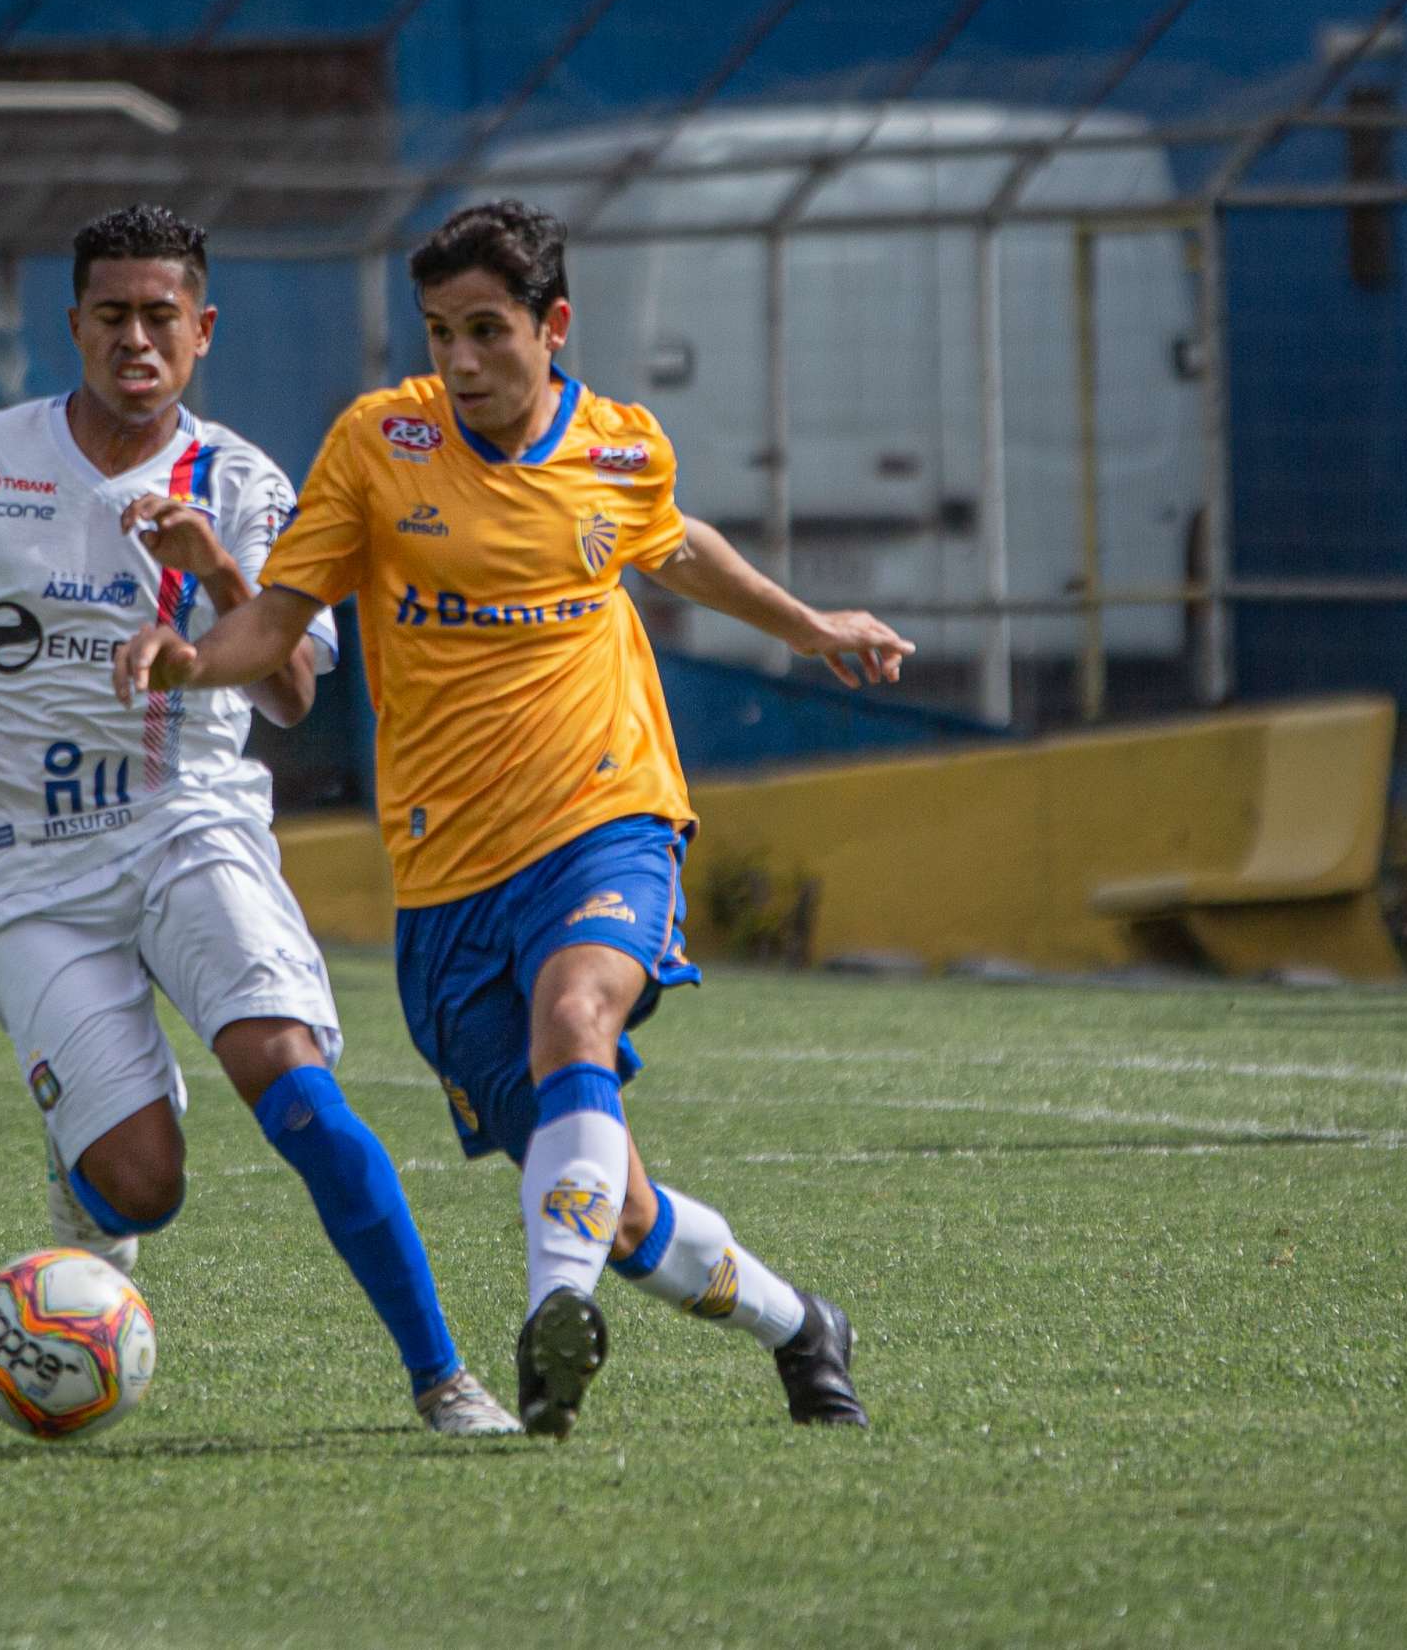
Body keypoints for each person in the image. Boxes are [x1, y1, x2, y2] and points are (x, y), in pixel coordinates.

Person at [112, 200, 912, 1437]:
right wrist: (190, 661)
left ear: (554, 324)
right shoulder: (379, 444)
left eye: (487, 329)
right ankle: (802, 1326)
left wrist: (808, 627)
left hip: (604, 814)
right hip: (446, 878)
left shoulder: (620, 448)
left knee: (576, 1010)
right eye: (440, 332)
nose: (462, 360)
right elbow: (276, 621)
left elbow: (672, 545)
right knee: (618, 1207)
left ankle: (551, 1323)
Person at [0, 203, 519, 1436]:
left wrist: (216, 567)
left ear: (203, 329)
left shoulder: (247, 482)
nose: (136, 339)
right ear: (74, 325)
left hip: (186, 822)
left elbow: (292, 691)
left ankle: (443, 1377)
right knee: (142, 1187)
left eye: (161, 316)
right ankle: (89, 1172)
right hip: (23, 867)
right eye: (111, 314)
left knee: (293, 1080)